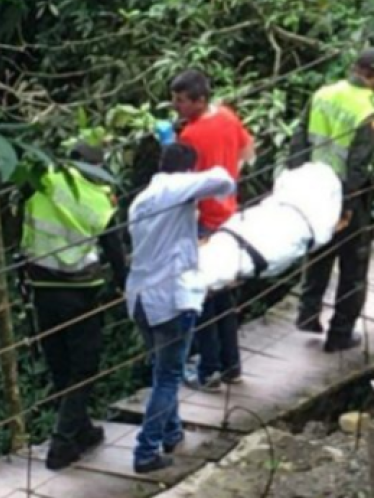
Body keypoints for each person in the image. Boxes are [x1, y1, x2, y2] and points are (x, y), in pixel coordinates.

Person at [126, 142, 235, 473]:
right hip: (172, 297)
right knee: (169, 376)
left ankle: (172, 433)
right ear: (188, 170)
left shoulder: (141, 199)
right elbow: (223, 180)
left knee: (163, 370)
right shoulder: (176, 188)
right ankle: (146, 451)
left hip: (141, 298)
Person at [20, 142, 128, 470]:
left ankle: (80, 430)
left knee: (60, 363)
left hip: (40, 288)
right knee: (83, 365)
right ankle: (62, 443)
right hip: (79, 293)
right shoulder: (97, 199)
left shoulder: (43, 180)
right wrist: (126, 284)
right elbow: (114, 251)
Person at [286, 47, 374, 352]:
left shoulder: (323, 94)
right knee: (353, 265)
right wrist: (347, 208)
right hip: (345, 196)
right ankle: (340, 334)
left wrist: (296, 185)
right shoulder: (369, 112)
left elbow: (299, 141)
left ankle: (308, 313)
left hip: (314, 189)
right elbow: (358, 166)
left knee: (320, 249)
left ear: (354, 68)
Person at [170, 69, 256, 390]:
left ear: (199, 100)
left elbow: (182, 183)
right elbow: (248, 153)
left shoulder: (189, 137)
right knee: (223, 295)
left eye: (181, 101)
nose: (175, 106)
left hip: (204, 221)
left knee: (203, 296)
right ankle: (231, 365)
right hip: (230, 216)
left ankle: (208, 371)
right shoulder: (228, 117)